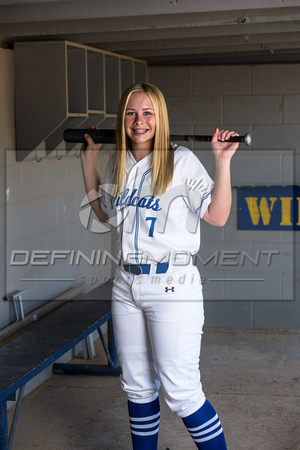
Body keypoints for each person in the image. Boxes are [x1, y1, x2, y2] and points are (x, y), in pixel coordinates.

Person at [80, 82, 239, 450]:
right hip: (126, 284)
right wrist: (88, 162)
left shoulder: (181, 161)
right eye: (131, 113)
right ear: (123, 119)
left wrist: (223, 161)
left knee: (182, 393)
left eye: (148, 113)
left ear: (160, 118)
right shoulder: (118, 161)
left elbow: (217, 215)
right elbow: (104, 214)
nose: (139, 121)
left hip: (172, 286)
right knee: (136, 389)